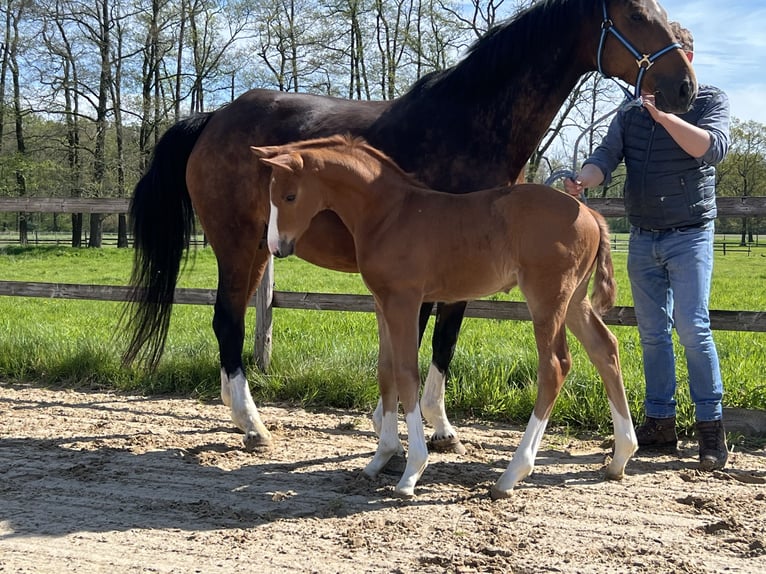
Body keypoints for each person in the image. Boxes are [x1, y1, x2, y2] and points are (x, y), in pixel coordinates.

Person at [564, 22, 730, 471]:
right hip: (644, 236)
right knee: (653, 333)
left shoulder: (710, 100)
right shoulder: (629, 110)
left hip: (690, 233)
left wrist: (664, 116)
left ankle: (711, 428)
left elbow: (711, 149)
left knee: (693, 328)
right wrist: (581, 179)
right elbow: (605, 157)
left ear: (685, 63)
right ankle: (660, 421)